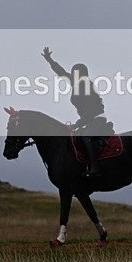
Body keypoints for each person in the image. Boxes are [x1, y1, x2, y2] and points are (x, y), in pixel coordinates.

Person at [42, 47, 113, 178]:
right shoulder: (76, 84)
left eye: (75, 73)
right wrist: (49, 60)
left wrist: (77, 124)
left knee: (86, 137)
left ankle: (95, 168)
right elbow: (61, 72)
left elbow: (90, 111)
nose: (72, 75)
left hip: (97, 119)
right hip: (88, 120)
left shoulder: (88, 86)